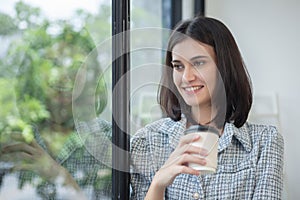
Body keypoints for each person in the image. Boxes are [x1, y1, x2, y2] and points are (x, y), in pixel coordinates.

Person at [130, 16, 284, 199]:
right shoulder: (147, 141)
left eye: (198, 63)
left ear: (224, 66)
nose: (186, 77)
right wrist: (158, 183)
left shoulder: (264, 142)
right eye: (178, 66)